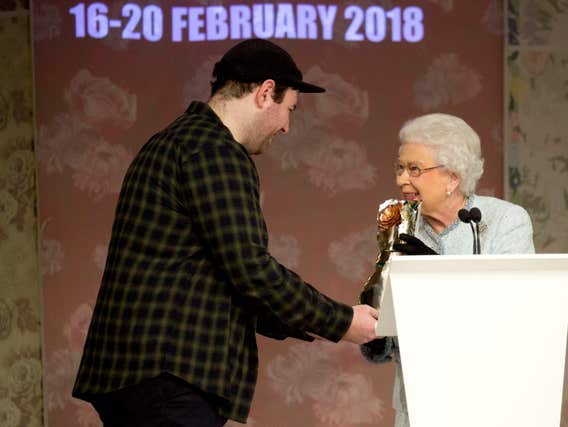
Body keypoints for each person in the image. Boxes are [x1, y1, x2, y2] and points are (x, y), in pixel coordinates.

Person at [72, 38, 378, 427]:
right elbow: (250, 269)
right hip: (170, 378)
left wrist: (322, 324)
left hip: (137, 376)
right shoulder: (215, 149)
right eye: (289, 110)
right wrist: (343, 322)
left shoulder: (171, 142)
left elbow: (224, 277)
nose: (286, 127)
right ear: (266, 92)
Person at [361, 113, 535, 427]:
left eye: (415, 169)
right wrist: (377, 322)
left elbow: (513, 313)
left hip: (489, 404)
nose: (402, 179)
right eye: (400, 167)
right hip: (416, 407)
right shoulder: (400, 226)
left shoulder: (504, 221)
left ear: (453, 177)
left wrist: (432, 270)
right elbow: (389, 341)